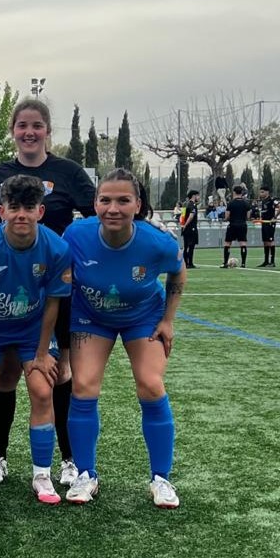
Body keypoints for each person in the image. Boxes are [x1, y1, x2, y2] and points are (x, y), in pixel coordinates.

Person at [0, 98, 96, 488]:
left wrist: (141, 228)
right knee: (6, 374)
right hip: (7, 290)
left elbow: (101, 214)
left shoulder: (67, 172)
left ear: (47, 131)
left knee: (59, 373)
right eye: (22, 125)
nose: (29, 132)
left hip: (55, 287)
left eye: (37, 125)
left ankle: (69, 460)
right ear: (13, 130)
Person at [62, 168, 187, 509]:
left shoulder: (157, 242)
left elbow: (178, 272)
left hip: (143, 317)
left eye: (123, 200)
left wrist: (168, 321)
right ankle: (86, 474)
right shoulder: (76, 234)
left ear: (138, 205)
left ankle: (161, 478)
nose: (113, 208)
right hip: (91, 318)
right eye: (105, 200)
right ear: (95, 204)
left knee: (151, 384)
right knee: (83, 386)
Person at [0, 175, 72, 505]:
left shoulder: (57, 248)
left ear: (41, 211)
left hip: (32, 332)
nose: (21, 214)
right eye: (14, 207)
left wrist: (42, 353)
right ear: (1, 211)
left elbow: (53, 303)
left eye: (28, 207)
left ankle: (42, 474)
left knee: (42, 389)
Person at [221, 184, 251, 268]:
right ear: (242, 192)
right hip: (242, 225)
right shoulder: (246, 203)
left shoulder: (231, 203)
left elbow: (227, 216)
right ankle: (243, 264)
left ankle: (225, 263)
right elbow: (248, 216)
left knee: (227, 243)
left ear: (234, 192)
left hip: (233, 225)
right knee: (243, 243)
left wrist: (226, 219)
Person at [255, 186, 280, 267]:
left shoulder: (272, 200)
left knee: (270, 241)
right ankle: (266, 261)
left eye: (262, 192)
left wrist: (274, 217)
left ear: (267, 192)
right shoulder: (263, 201)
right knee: (265, 241)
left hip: (270, 223)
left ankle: (272, 262)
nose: (261, 194)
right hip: (264, 222)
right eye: (260, 192)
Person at [179, 190, 200, 269]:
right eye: (198, 196)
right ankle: (189, 263)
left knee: (186, 245)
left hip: (186, 229)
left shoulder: (186, 204)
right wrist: (185, 225)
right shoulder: (192, 205)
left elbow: (182, 217)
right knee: (190, 246)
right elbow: (191, 216)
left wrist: (183, 225)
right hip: (191, 228)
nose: (198, 198)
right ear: (194, 196)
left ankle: (186, 263)